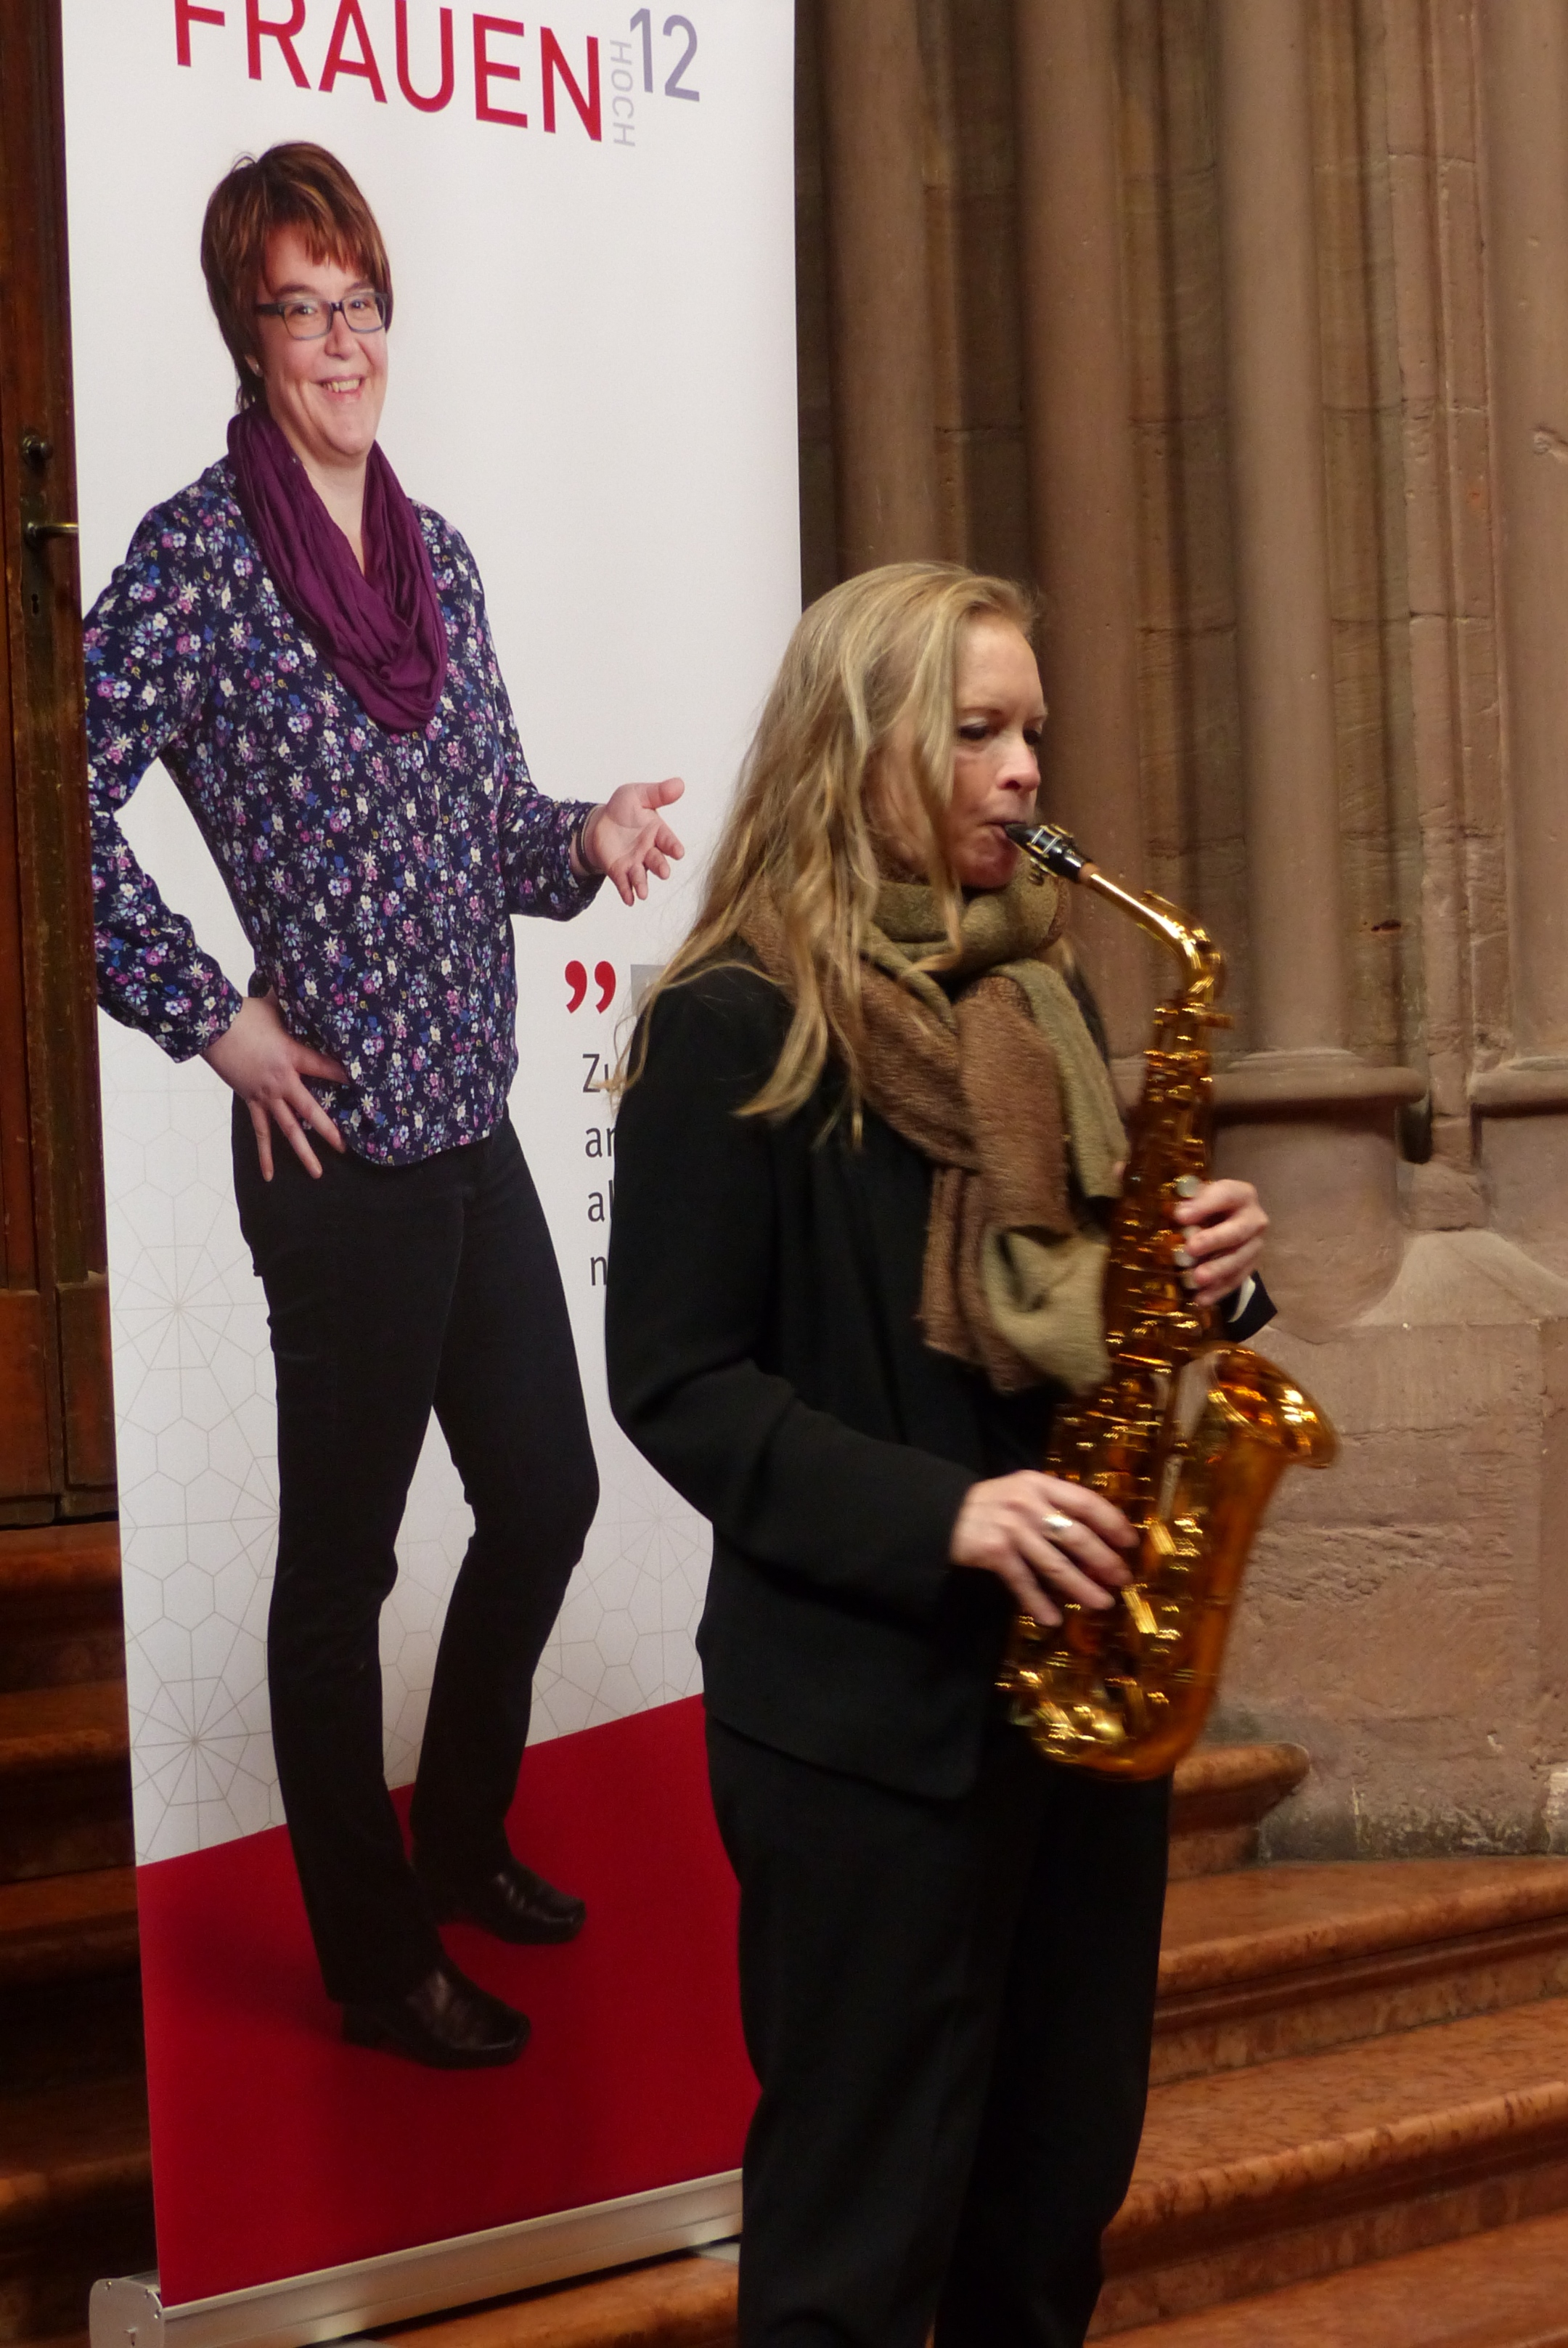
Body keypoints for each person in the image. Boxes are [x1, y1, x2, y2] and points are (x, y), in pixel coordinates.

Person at [605, 562, 1271, 2345]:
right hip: (861, 1722)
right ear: (861, 746)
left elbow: (1074, 1313)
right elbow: (678, 1383)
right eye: (979, 731)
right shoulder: (728, 1025)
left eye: (1032, 730)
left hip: (1075, 1697)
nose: (1026, 769)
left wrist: (1204, 1281)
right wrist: (947, 1515)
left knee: (1048, 2212)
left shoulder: (1040, 1006)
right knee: (856, 2239)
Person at [84, 143, 685, 2071]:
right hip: (335, 1155)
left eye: (359, 302)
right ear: (245, 334)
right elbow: (47, 795)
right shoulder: (196, 563)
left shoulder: (442, 563)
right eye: (300, 307)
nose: (340, 341)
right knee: (341, 1574)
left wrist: (583, 835)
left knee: (549, 1492)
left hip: (467, 1126)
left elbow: (490, 830)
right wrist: (210, 1017)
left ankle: (463, 1837)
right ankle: (374, 1963)